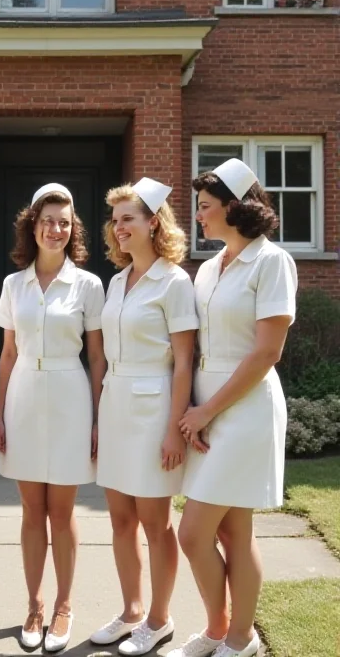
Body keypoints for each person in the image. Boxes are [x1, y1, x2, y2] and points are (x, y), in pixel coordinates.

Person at [168, 159, 298, 657]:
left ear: (235, 207)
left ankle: (235, 634)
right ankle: (227, 634)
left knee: (193, 532)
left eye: (204, 207)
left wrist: (208, 411)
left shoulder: (273, 262)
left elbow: (267, 352)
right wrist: (196, 409)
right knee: (232, 530)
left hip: (245, 408)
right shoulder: (208, 267)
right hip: (209, 404)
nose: (198, 217)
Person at [0, 183, 106, 652]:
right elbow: (6, 355)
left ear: (72, 228)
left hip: (69, 396)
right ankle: (34, 606)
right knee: (30, 510)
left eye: (64, 222)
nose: (55, 229)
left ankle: (63, 606)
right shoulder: (12, 284)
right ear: (32, 226)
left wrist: (98, 418)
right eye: (47, 221)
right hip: (23, 395)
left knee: (61, 511)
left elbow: (97, 359)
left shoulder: (88, 285)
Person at [91, 178, 199, 656]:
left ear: (154, 222)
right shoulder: (117, 280)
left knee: (157, 523)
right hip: (115, 403)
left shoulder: (174, 281)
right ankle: (132, 610)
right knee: (119, 520)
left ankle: (159, 618)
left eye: (128, 219)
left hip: (154, 407)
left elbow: (183, 361)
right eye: (115, 222)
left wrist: (175, 430)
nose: (119, 229)